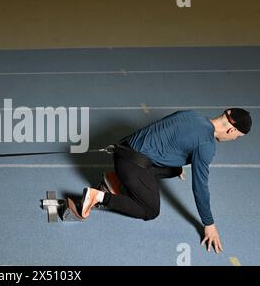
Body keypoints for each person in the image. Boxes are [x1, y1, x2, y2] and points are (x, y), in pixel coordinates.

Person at [79, 108, 252, 254]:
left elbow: (158, 132)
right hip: (132, 166)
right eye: (237, 137)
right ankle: (98, 196)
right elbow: (200, 187)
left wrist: (175, 166)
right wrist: (209, 223)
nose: (234, 140)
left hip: (123, 150)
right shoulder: (206, 145)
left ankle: (115, 178)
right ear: (231, 131)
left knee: (175, 169)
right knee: (149, 211)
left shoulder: (192, 115)